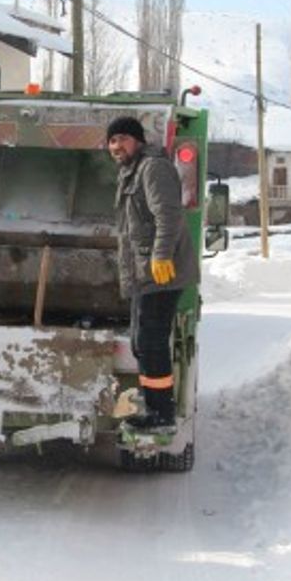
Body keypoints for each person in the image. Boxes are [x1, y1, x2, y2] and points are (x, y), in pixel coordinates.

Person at [108, 116, 199, 430]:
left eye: (122, 139)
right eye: (112, 141)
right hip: (144, 273)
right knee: (141, 343)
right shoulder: (131, 171)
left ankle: (161, 415)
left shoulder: (152, 168)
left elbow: (169, 215)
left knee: (151, 342)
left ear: (138, 140)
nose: (117, 146)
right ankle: (154, 408)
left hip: (161, 272)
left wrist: (161, 256)